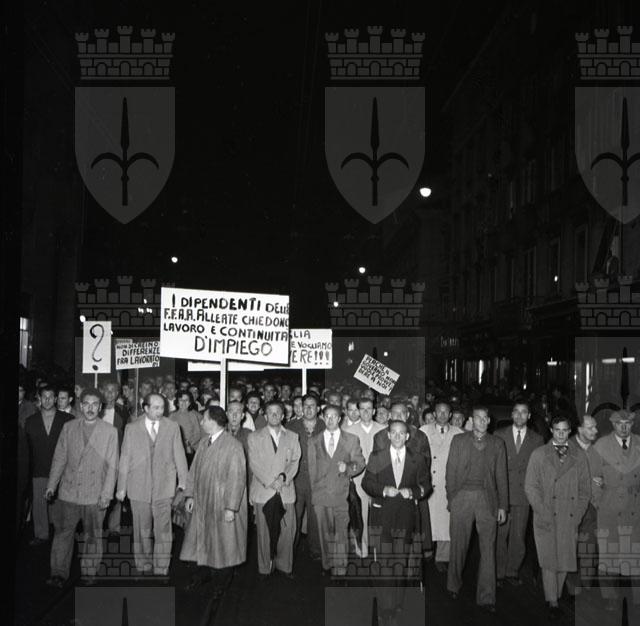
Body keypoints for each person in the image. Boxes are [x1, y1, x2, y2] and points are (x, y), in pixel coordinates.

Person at [45, 388, 118, 587]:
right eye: (86, 404)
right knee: (63, 533)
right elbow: (59, 458)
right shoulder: (69, 427)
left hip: (95, 494)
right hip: (69, 492)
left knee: (92, 535)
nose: (90, 408)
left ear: (101, 407)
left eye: (95, 404)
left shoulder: (110, 432)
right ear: (80, 405)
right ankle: (58, 573)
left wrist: (107, 494)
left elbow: (113, 466)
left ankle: (89, 572)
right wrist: (51, 485)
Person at [525, 415, 590, 619]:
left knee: (564, 560)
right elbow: (530, 486)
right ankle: (552, 600)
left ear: (570, 431)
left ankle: (557, 594)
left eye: (564, 430)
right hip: (546, 513)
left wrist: (577, 515)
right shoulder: (539, 455)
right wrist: (541, 510)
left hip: (568, 516)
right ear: (551, 431)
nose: (561, 434)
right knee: (549, 560)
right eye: (557, 430)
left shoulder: (579, 456)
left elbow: (585, 490)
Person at [116, 392, 188, 575]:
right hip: (138, 487)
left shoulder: (173, 427)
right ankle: (143, 563)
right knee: (142, 529)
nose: (160, 411)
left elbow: (180, 456)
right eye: (155, 408)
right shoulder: (132, 428)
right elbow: (124, 458)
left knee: (163, 530)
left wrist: (183, 483)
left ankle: (161, 567)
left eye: (162, 407)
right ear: (145, 408)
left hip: (165, 487)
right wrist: (121, 487)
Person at [446, 406, 508, 613]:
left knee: (488, 548)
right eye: (477, 418)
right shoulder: (459, 441)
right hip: (462, 496)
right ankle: (453, 585)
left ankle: (487, 596)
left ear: (489, 421)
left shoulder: (497, 443)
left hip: (487, 499)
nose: (481, 421)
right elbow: (450, 471)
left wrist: (503, 505)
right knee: (458, 545)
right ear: (471, 420)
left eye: (485, 418)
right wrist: (452, 498)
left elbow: (501, 476)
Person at [180, 406, 247, 595]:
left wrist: (231, 508)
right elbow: (193, 471)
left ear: (214, 421)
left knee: (223, 545)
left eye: (204, 419)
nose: (201, 422)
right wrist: (190, 495)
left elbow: (237, 478)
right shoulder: (204, 442)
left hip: (221, 503)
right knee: (201, 541)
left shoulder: (233, 445)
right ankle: (202, 576)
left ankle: (221, 585)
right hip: (203, 501)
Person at [308, 404, 365, 576]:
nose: (331, 419)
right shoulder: (314, 441)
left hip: (342, 494)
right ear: (323, 418)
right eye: (327, 416)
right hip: (321, 495)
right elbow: (312, 470)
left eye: (334, 416)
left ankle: (340, 568)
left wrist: (347, 468)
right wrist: (314, 494)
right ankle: (327, 564)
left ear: (340, 419)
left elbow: (360, 463)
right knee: (324, 533)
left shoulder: (351, 439)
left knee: (341, 533)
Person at [592, 409, 640, 611]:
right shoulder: (601, 446)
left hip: (634, 507)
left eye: (627, 423)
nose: (624, 427)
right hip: (609, 507)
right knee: (609, 554)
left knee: (635, 553)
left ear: (632, 424)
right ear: (613, 425)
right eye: (620, 424)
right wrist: (599, 503)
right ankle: (610, 596)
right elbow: (593, 478)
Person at [247, 401, 301, 577]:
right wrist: (271, 481)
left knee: (287, 532)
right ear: (265, 415)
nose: (274, 415)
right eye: (270, 412)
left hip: (285, 490)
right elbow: (254, 463)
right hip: (264, 490)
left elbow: (295, 461)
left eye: (278, 412)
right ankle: (265, 567)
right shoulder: (254, 437)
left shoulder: (292, 437)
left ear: (283, 415)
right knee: (264, 533)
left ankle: (284, 565)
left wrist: (283, 478)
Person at [373, 402, 432, 556]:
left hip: (411, 494)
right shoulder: (381, 436)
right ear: (390, 415)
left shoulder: (420, 436)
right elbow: (377, 469)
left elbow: (425, 466)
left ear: (408, 415)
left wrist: (413, 490)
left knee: (411, 542)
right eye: (395, 413)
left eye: (402, 413)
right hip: (388, 495)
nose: (398, 416)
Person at [495, 401, 543, 586]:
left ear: (529, 416)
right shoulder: (499, 435)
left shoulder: (537, 439)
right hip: (502, 493)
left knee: (518, 536)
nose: (520, 415)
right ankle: (498, 572)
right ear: (511, 415)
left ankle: (512, 571)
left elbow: (538, 470)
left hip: (523, 495)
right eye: (516, 412)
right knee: (500, 535)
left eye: (524, 412)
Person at [362, 419, 429, 545]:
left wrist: (411, 492)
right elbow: (366, 483)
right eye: (393, 433)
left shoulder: (418, 458)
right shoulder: (376, 457)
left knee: (403, 553)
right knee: (384, 553)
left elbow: (426, 485)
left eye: (401, 433)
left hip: (406, 515)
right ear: (388, 435)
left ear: (407, 436)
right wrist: (383, 490)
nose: (397, 437)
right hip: (382, 514)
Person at [24, 386, 73, 544]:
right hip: (38, 468)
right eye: (44, 396)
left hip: (62, 471)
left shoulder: (68, 420)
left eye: (50, 396)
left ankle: (61, 535)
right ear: (39, 399)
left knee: (60, 505)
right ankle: (41, 535)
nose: (47, 400)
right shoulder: (30, 421)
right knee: (39, 504)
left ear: (56, 399)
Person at [421, 399, 463, 573]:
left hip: (448, 483)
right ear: (434, 413)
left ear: (450, 414)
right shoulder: (424, 431)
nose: (443, 414)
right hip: (428, 482)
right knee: (428, 519)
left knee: (446, 522)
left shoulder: (458, 433)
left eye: (446, 412)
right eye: (439, 411)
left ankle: (443, 557)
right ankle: (427, 550)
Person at [343, 397, 385, 557]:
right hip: (358, 478)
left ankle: (378, 548)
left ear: (374, 411)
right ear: (359, 411)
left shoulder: (383, 429)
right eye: (362, 409)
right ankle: (362, 547)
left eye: (369, 408)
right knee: (360, 514)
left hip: (379, 479)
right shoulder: (349, 431)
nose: (366, 412)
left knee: (379, 514)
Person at [566, 414, 602, 594]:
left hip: (593, 506)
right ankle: (570, 584)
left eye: (595, 426)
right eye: (590, 427)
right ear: (579, 430)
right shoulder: (566, 447)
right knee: (570, 546)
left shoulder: (598, 450)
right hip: (571, 506)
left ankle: (586, 586)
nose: (595, 430)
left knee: (589, 547)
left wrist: (603, 481)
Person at [287, 393, 325, 560]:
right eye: (305, 406)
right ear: (301, 408)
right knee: (293, 516)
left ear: (318, 408)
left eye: (312, 406)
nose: (309, 409)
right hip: (296, 479)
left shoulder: (326, 426)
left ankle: (316, 550)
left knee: (316, 517)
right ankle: (289, 550)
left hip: (318, 480)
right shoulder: (291, 426)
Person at [170, 390, 204, 463]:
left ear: (190, 403)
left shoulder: (193, 415)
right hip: (175, 447)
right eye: (181, 400)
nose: (184, 402)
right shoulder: (172, 416)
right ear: (177, 402)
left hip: (190, 448)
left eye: (186, 400)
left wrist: (188, 444)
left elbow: (197, 433)